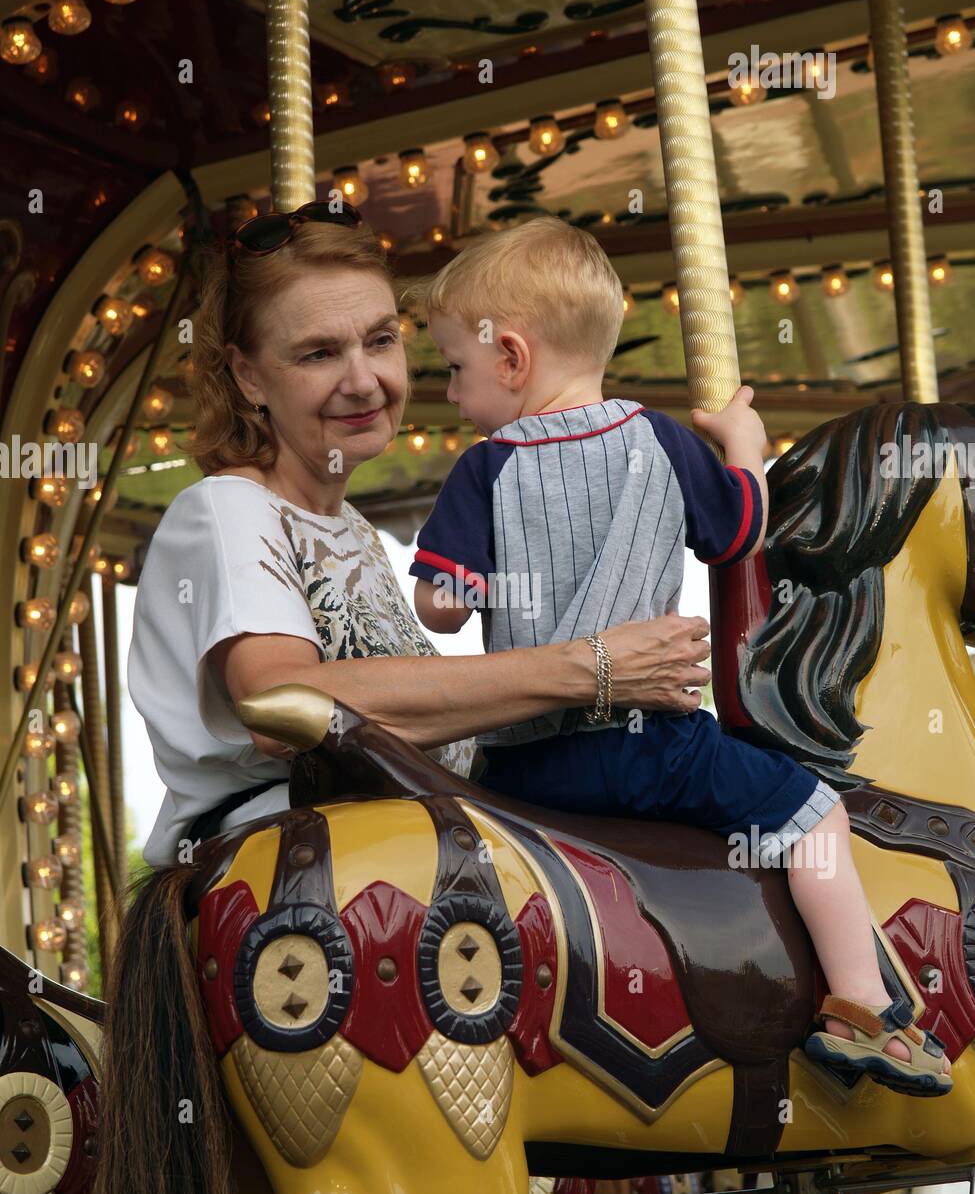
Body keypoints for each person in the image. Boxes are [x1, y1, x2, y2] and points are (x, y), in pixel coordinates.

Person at [406, 215, 951, 1096]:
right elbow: (738, 534)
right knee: (813, 817)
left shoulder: (485, 469)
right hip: (645, 750)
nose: (451, 392)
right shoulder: (658, 441)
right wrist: (743, 449)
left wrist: (486, 589)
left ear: (510, 357)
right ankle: (858, 1004)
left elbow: (438, 605)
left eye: (453, 371)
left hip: (520, 764)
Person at [127, 202, 714, 869]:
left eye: (379, 340)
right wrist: (594, 669)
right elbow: (279, 704)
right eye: (318, 353)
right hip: (305, 870)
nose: (363, 381)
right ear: (248, 375)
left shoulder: (354, 534)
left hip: (401, 850)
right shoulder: (229, 510)